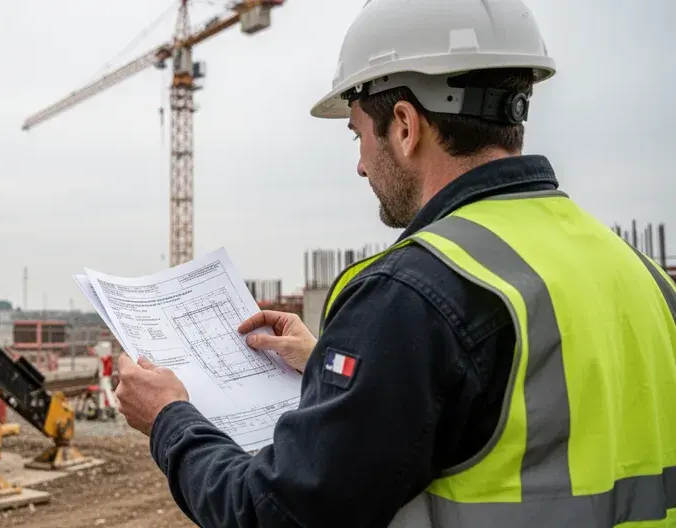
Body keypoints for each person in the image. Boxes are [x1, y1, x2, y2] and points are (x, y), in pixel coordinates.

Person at [113, 0, 676, 526]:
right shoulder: (641, 274)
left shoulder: (418, 292)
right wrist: (325, 363)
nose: (360, 166)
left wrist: (170, 419)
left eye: (358, 133)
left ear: (405, 126)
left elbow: (272, 510)